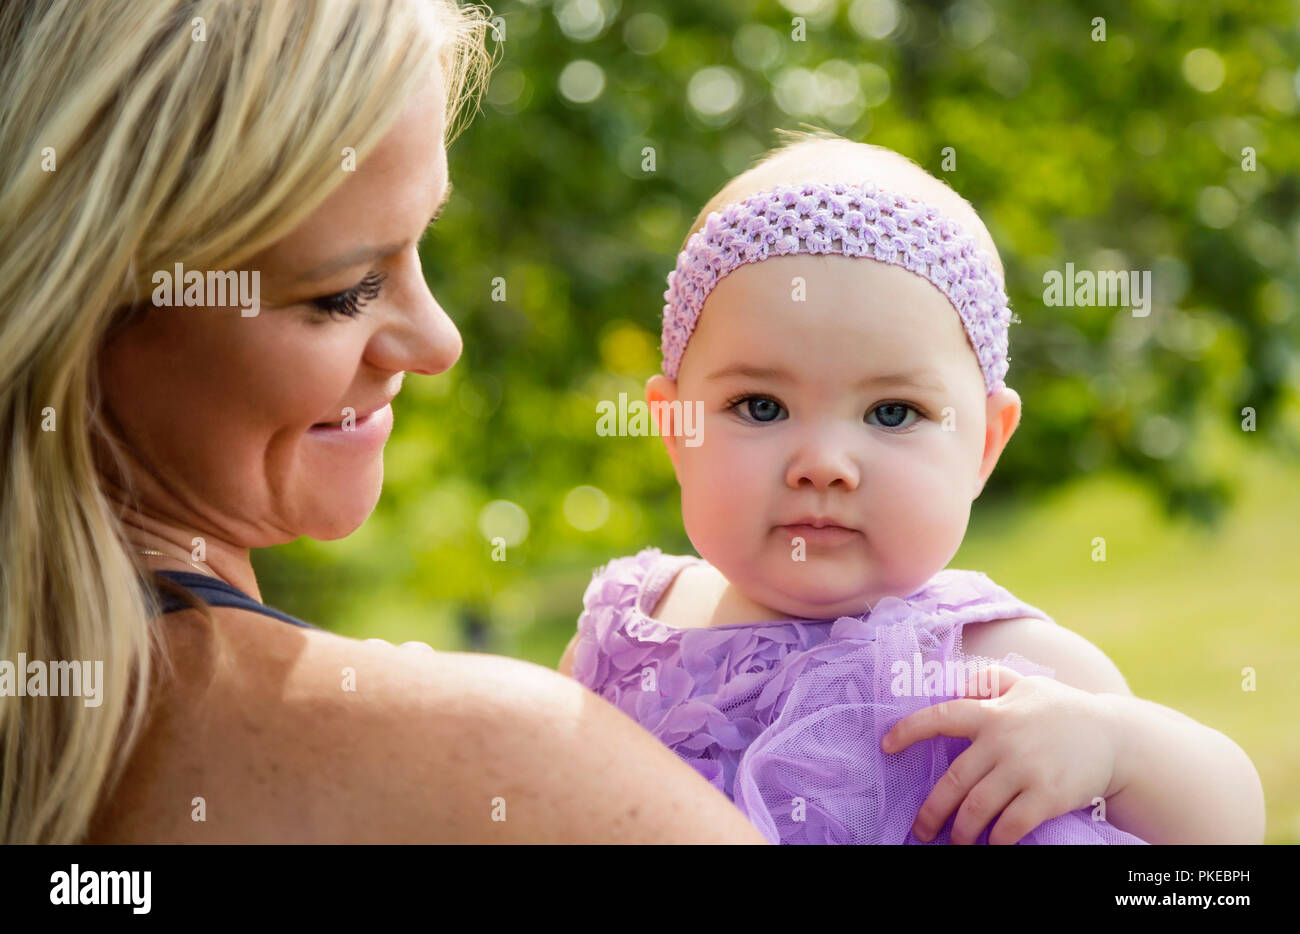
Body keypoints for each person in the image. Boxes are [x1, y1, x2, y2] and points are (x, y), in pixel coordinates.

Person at [0, 0, 769, 845]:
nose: (440, 341)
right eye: (342, 293)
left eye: (419, 242)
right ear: (73, 308)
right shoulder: (506, 773)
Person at [558, 133, 1266, 844]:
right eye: (761, 407)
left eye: (892, 413)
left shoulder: (1003, 665)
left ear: (984, 445)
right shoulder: (620, 641)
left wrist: (1116, 749)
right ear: (676, 427)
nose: (823, 464)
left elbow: (1225, 836)